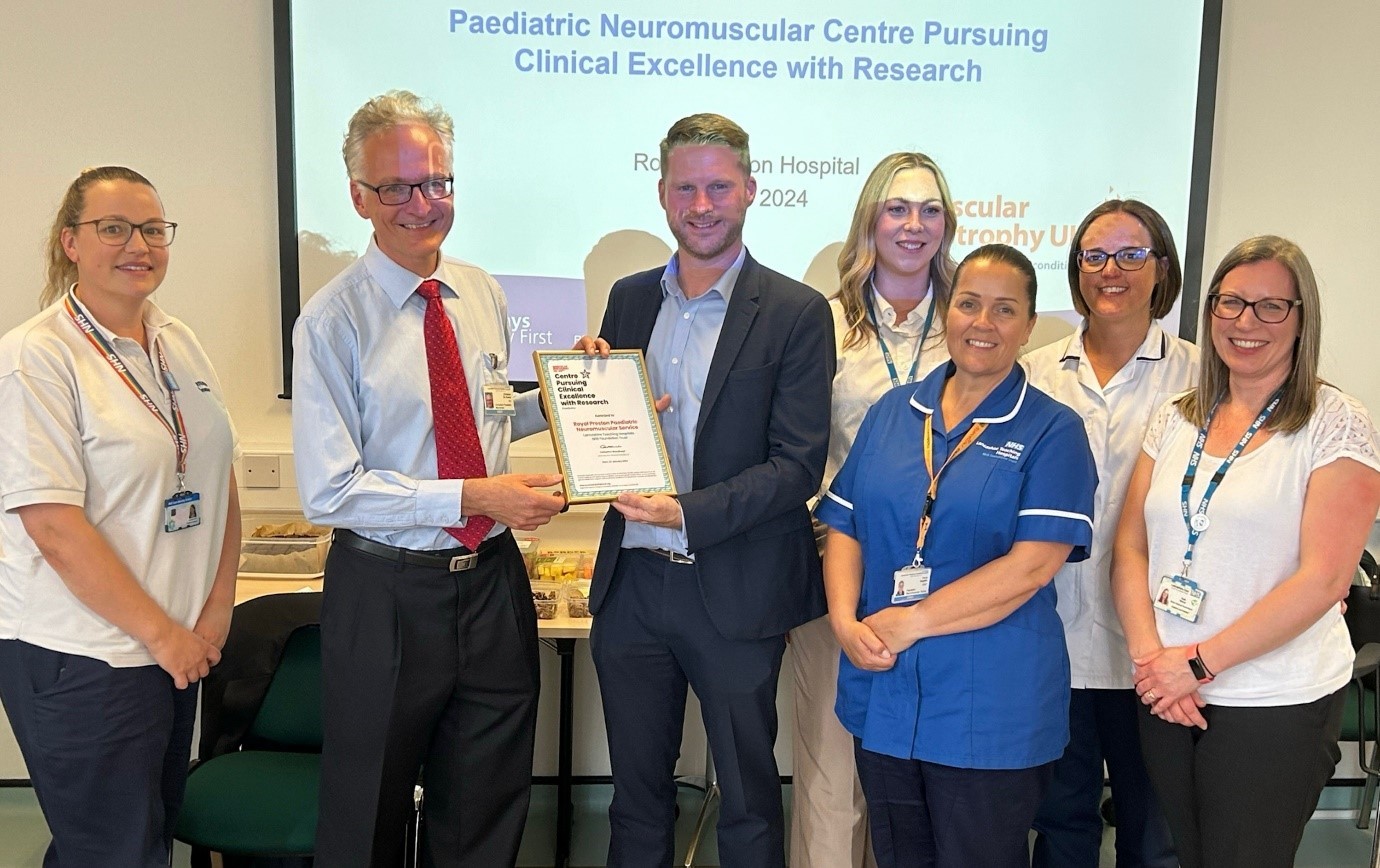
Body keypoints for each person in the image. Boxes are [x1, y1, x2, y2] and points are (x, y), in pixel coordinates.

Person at [292, 90, 564, 867]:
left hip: (490, 585)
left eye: (438, 182)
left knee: (487, 798)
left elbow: (485, 415)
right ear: (359, 199)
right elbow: (330, 490)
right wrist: (478, 497)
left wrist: (579, 401)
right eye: (398, 188)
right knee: (365, 804)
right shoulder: (332, 321)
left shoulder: (480, 291)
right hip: (385, 594)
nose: (423, 204)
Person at [580, 113, 834, 867]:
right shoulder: (630, 299)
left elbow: (797, 466)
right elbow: (610, 431)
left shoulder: (795, 311)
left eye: (718, 186)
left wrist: (684, 514)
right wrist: (587, 393)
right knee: (636, 797)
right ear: (662, 194)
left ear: (751, 191)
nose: (702, 204)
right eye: (685, 188)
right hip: (632, 587)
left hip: (736, 589)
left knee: (749, 801)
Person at [816, 244, 1098, 868]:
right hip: (884, 686)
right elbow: (846, 524)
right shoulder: (894, 412)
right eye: (969, 304)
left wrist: (912, 621)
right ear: (948, 310)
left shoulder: (1053, 430)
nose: (983, 322)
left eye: (1005, 310)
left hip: (990, 704)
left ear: (1029, 326)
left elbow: (1032, 566)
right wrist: (843, 621)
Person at [1112, 235, 1380, 868]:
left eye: (1270, 307)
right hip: (1167, 691)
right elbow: (1130, 546)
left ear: (1301, 317)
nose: (1245, 323)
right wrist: (1155, 662)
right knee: (1188, 854)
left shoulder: (1336, 422)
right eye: (1230, 303)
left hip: (1272, 701)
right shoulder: (1178, 417)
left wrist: (1198, 665)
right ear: (1209, 313)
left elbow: (1324, 580)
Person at [0, 166, 240, 867]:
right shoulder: (35, 357)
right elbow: (53, 525)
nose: (138, 244)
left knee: (138, 843)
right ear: (70, 241)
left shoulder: (176, 339)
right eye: (114, 228)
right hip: (83, 655)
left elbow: (215, 475)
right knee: (115, 850)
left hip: (171, 648)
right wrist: (164, 636)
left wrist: (216, 609)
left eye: (153, 229)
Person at [790, 152, 958, 868]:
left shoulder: (971, 324)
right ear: (869, 221)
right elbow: (795, 448)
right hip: (840, 570)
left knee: (930, 774)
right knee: (833, 772)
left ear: (947, 226)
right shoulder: (819, 325)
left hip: (951, 583)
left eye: (929, 210)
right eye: (897, 208)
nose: (913, 225)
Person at [1026, 200, 1194, 868]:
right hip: (1051, 647)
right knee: (1059, 828)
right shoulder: (1033, 374)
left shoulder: (1202, 378)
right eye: (1094, 256)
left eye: (1130, 255)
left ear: (1162, 268)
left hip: (1157, 654)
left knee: (1153, 840)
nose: (1110, 271)